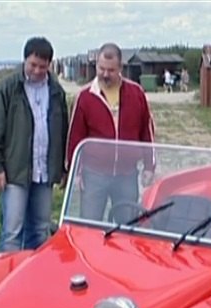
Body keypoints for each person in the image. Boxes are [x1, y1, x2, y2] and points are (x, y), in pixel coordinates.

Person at [0, 36, 69, 252]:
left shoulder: (56, 92)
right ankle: (8, 280)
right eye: (33, 65)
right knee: (12, 232)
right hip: (15, 172)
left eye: (43, 66)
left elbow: (63, 131)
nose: (38, 70)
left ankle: (35, 280)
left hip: (44, 172)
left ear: (50, 64)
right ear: (24, 61)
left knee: (40, 230)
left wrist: (62, 168)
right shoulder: (6, 89)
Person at [66, 42, 155, 223]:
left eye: (111, 70)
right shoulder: (85, 96)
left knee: (127, 226)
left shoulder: (136, 93)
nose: (105, 74)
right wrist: (75, 172)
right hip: (94, 175)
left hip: (127, 174)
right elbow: (75, 136)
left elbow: (146, 131)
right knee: (89, 226)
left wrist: (149, 166)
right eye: (101, 69)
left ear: (120, 68)